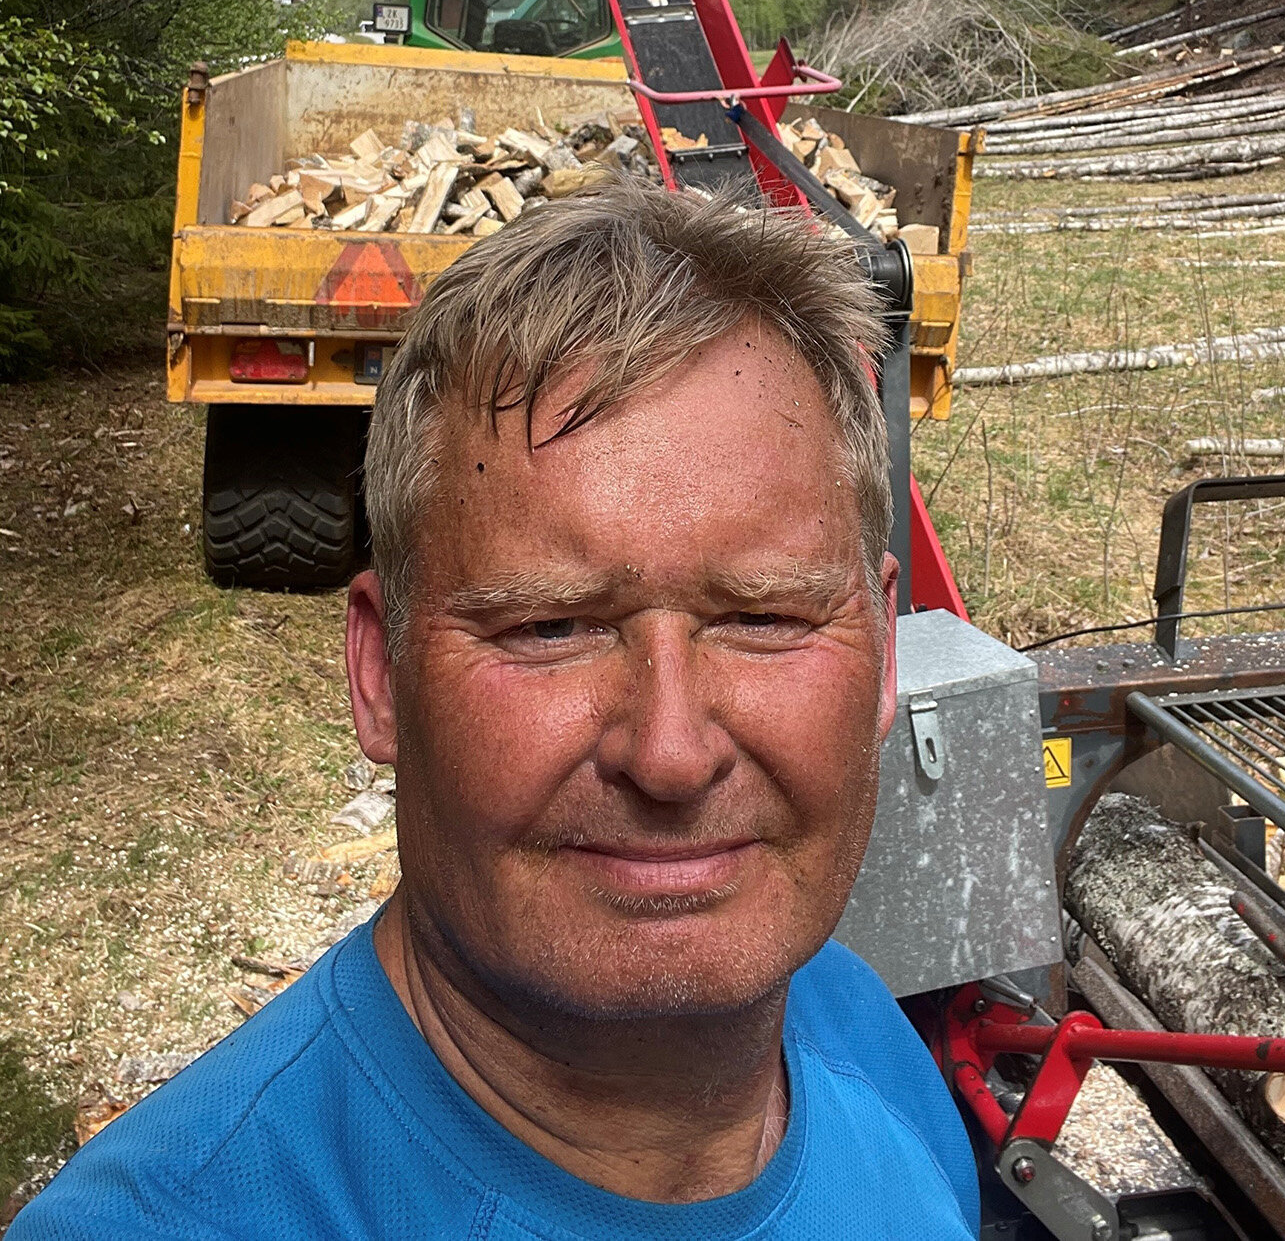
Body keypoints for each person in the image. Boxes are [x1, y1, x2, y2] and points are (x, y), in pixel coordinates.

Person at [14, 183, 979, 1240]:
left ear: (883, 649)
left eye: (762, 615)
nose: (668, 751)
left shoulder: (861, 1034)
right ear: (379, 672)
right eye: (549, 628)